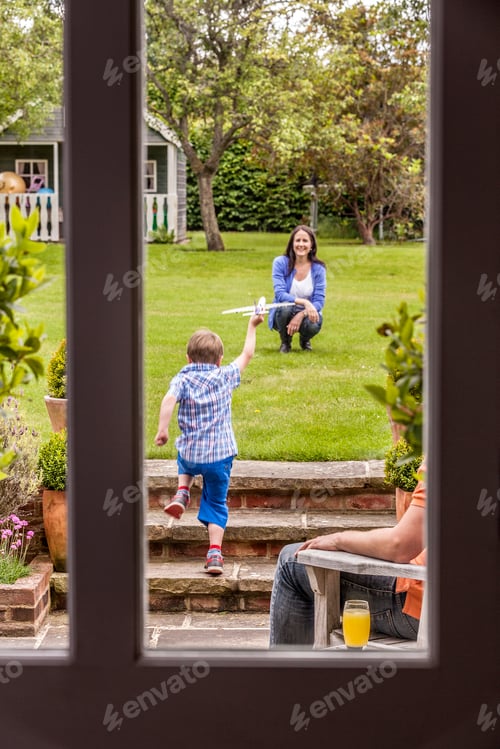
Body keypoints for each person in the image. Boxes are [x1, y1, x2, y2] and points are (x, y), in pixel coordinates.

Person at [154, 314, 264, 575]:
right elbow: (247, 354)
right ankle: (215, 554)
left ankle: (182, 490)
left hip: (192, 454)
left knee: (184, 455)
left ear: (188, 358)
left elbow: (168, 401)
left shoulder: (182, 378)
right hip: (220, 455)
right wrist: (252, 325)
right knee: (216, 502)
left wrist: (162, 429)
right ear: (219, 360)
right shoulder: (224, 375)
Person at [269, 469, 426, 646]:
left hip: (421, 615)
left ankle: (288, 673)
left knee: (291, 562)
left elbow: (400, 545)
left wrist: (339, 540)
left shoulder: (443, 460)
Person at [269, 225, 327, 353]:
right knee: (285, 307)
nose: (301, 244)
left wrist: (302, 314)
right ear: (292, 244)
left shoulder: (319, 269)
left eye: (305, 241)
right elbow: (280, 294)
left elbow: (319, 301)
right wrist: (305, 302)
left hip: (306, 313)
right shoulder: (280, 263)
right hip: (284, 311)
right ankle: (285, 342)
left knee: (314, 321)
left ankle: (305, 339)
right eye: (298, 240)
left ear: (311, 245)